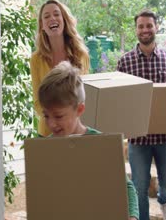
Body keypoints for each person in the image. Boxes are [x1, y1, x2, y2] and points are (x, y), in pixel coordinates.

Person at [38, 61, 139, 220]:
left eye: (58, 116)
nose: (51, 123)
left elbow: (126, 187)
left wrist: (132, 216)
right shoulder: (47, 150)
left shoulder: (100, 145)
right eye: (46, 115)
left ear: (79, 109)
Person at [116, 9, 166, 220]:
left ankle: (165, 201)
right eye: (141, 26)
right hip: (138, 138)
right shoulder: (124, 63)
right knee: (139, 187)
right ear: (136, 30)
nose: (145, 30)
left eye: (149, 25)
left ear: (156, 28)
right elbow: (119, 99)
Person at [31, 0, 90, 137]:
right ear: (42, 26)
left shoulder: (81, 54)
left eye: (56, 14)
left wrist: (67, 121)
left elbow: (84, 96)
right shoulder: (36, 59)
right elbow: (37, 101)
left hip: (75, 132)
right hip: (47, 131)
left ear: (64, 20)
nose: (52, 18)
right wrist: (54, 120)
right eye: (46, 16)